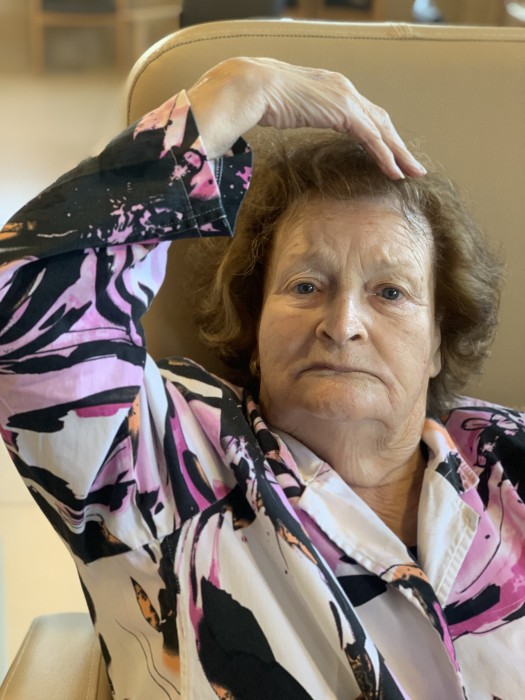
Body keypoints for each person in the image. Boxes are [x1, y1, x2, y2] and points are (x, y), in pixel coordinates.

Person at [0, 57, 523, 699]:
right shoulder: (165, 459)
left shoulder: (507, 458)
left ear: (438, 341)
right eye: (305, 286)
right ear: (254, 330)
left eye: (389, 292)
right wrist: (235, 91)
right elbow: (20, 316)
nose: (343, 324)